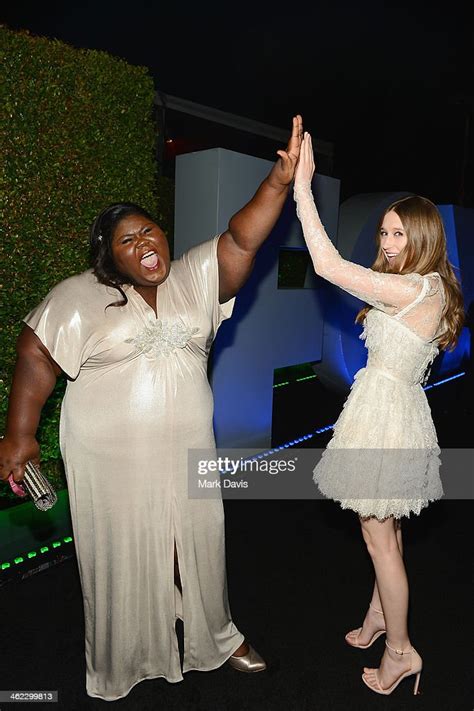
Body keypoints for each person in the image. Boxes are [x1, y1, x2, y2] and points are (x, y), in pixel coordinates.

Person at [0, 115, 303, 701]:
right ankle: (123, 656)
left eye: (149, 232)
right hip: (109, 454)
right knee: (124, 544)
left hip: (188, 447)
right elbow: (36, 352)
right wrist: (20, 434)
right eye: (127, 240)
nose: (145, 244)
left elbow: (242, 239)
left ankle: (217, 634)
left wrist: (278, 183)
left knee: (198, 534)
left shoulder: (194, 277)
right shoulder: (80, 296)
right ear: (108, 258)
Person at [293, 133, 464, 696]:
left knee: (379, 540)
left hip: (387, 415)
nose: (388, 242)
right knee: (383, 530)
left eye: (398, 233)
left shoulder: (413, 288)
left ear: (422, 237)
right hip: (395, 410)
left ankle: (401, 652)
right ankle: (377, 620)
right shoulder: (433, 286)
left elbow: (324, 264)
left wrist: (302, 183)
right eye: (385, 232)